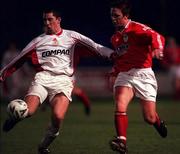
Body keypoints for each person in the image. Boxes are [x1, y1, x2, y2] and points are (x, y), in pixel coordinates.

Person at [0, 8, 116, 154]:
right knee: (28, 112)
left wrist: (111, 54)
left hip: (63, 81)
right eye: (45, 20)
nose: (47, 23)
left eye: (50, 19)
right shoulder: (38, 41)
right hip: (43, 79)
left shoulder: (72, 36)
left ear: (58, 20)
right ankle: (15, 118)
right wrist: (2, 74)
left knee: (58, 117)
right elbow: (19, 59)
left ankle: (43, 147)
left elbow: (94, 46)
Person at [108, 0, 167, 153]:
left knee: (149, 118)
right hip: (125, 75)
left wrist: (158, 49)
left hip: (143, 74)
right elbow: (121, 59)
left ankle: (158, 122)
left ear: (126, 16)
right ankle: (121, 141)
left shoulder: (137, 29)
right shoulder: (115, 38)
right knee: (120, 103)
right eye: (111, 15)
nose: (113, 18)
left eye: (117, 15)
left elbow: (157, 36)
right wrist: (114, 72)